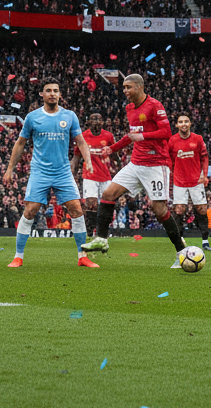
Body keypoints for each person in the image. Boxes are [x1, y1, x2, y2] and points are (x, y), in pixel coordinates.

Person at [81, 74, 188, 267]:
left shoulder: (155, 106)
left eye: (128, 87)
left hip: (156, 164)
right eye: (124, 87)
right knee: (108, 194)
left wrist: (143, 136)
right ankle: (102, 239)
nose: (125, 91)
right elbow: (131, 135)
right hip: (136, 163)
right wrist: (112, 148)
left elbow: (166, 132)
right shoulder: (129, 108)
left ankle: (181, 251)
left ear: (140, 87)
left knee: (159, 209)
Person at [3, 79, 98, 269]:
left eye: (55, 90)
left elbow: (80, 141)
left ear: (60, 94)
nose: (52, 94)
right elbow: (20, 143)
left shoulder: (69, 116)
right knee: (30, 210)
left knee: (76, 209)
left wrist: (88, 162)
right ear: (42, 94)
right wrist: (10, 168)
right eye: (48, 90)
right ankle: (18, 257)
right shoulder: (32, 117)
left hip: (63, 172)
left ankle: (82, 256)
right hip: (40, 172)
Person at [168, 113, 211, 251]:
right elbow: (168, 161)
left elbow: (205, 157)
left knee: (201, 209)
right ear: (177, 125)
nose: (183, 124)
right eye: (181, 122)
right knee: (179, 210)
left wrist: (204, 175)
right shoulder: (172, 141)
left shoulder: (197, 139)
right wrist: (170, 177)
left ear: (190, 124)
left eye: (186, 121)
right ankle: (179, 240)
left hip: (196, 181)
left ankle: (205, 240)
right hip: (179, 181)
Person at [70, 112, 116, 238]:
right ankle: (89, 233)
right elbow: (76, 157)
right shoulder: (83, 136)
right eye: (94, 119)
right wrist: (72, 174)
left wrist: (119, 170)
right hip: (89, 175)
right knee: (91, 204)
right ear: (89, 122)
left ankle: (102, 233)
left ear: (102, 122)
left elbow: (114, 154)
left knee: (106, 205)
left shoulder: (108, 136)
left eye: (99, 119)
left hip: (105, 176)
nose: (96, 121)